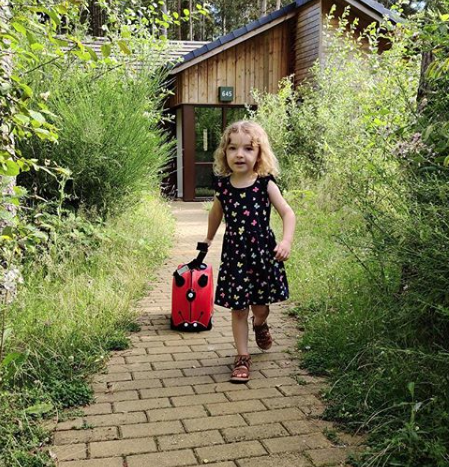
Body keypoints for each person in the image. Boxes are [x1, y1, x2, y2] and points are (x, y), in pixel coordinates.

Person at [204, 120, 296, 383]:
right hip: (234, 256)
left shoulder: (264, 183)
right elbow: (215, 214)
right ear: (225, 153)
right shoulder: (223, 187)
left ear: (259, 154)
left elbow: (288, 213)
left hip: (262, 254)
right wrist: (208, 239)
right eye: (232, 148)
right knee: (238, 308)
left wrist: (286, 242)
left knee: (259, 307)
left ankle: (261, 324)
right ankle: (242, 358)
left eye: (247, 148)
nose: (239, 154)